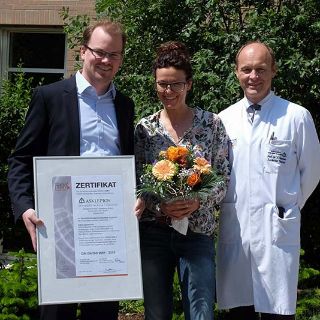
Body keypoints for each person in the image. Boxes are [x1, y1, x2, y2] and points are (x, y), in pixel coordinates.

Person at [7, 19, 134, 320]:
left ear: (120, 59)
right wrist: (25, 207)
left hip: (106, 234)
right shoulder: (49, 97)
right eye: (99, 51)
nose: (106, 60)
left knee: (102, 315)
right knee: (56, 314)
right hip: (61, 229)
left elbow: (129, 165)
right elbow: (21, 160)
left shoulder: (125, 105)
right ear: (82, 51)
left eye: (113, 54)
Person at [216, 40, 320, 319]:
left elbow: (311, 172)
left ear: (273, 71)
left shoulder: (296, 116)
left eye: (261, 69)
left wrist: (288, 208)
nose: (253, 77)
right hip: (237, 231)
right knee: (239, 311)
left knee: (278, 311)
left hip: (277, 229)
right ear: (236, 72)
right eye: (246, 69)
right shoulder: (223, 120)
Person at [134, 41, 229, 320]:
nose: (168, 91)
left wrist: (198, 200)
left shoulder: (211, 125)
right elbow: (137, 181)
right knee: (156, 313)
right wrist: (159, 207)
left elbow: (223, 176)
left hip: (197, 233)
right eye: (162, 84)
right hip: (155, 233)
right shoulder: (144, 129)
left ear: (189, 84)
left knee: (200, 313)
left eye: (175, 84)